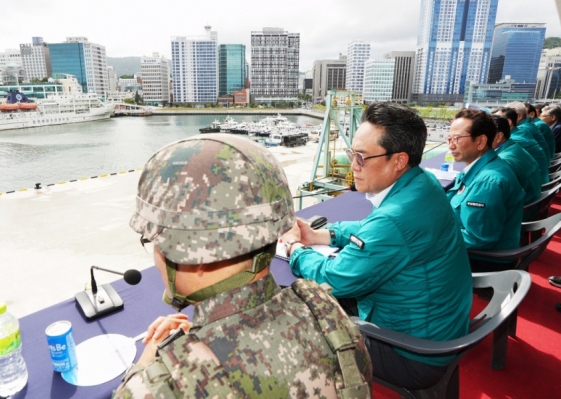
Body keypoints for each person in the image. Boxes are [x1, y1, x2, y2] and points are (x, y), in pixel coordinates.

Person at [114, 134, 372, 399]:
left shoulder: (164, 387)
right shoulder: (327, 312)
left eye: (153, 241)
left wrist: (147, 363)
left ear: (197, 256)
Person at [280, 102, 472, 390]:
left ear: (398, 160)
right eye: (352, 155)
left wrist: (295, 248)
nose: (353, 166)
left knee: (296, 323)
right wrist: (322, 236)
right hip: (436, 326)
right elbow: (372, 230)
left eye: (362, 158)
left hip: (412, 353)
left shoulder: (395, 218)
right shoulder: (423, 184)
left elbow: (334, 279)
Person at [446, 109, 524, 272]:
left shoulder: (487, 182)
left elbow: (478, 239)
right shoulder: (483, 167)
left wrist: (432, 234)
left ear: (481, 142)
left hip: (481, 259)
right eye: (449, 138)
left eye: (457, 138)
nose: (451, 145)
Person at [491, 114, 541, 205]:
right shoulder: (512, 146)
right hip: (533, 201)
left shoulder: (503, 159)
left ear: (499, 136)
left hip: (524, 209)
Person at [496, 107, 549, 183]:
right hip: (541, 178)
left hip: (541, 184)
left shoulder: (515, 140)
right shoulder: (521, 131)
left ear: (508, 122)